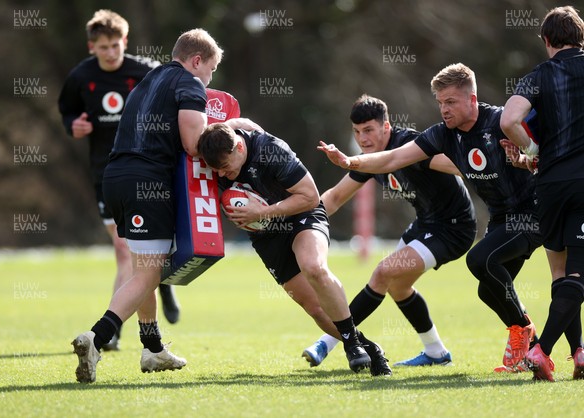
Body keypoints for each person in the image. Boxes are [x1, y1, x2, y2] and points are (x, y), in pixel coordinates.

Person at [318, 63, 543, 373]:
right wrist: (348, 162)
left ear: (472, 99)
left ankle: (333, 341)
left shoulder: (499, 121)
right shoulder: (440, 134)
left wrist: (528, 160)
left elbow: (535, 148)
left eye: (450, 101)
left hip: (515, 215)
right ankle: (528, 352)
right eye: (440, 102)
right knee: (483, 289)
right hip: (489, 219)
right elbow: (384, 165)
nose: (443, 109)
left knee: (481, 262)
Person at [70, 28, 259, 383]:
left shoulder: (147, 80)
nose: (210, 78)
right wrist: (231, 125)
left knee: (145, 266)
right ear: (197, 60)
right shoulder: (189, 83)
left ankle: (152, 348)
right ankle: (96, 338)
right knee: (148, 274)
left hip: (116, 177)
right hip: (147, 183)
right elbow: (192, 143)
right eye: (211, 69)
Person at [197, 123, 390, 376]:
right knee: (315, 309)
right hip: (266, 237)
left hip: (302, 214)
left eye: (224, 168)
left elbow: (310, 197)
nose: (222, 175)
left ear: (240, 148)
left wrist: (262, 212)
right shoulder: (222, 145)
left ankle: (352, 346)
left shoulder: (271, 150)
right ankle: (369, 347)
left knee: (314, 267)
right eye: (216, 170)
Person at [302, 94, 476, 368]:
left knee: (384, 272)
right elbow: (334, 198)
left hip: (454, 228)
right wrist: (297, 219)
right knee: (399, 285)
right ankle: (436, 353)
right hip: (425, 224)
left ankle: (328, 341)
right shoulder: (371, 159)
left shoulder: (410, 145)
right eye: (357, 132)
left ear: (386, 127)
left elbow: (460, 166)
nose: (363, 139)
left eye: (369, 130)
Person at [58, 10, 181, 353]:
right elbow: (67, 110)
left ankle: (115, 329)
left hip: (149, 173)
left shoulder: (144, 72)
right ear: (91, 47)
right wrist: (73, 125)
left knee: (134, 253)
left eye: (115, 45)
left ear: (124, 42)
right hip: (106, 174)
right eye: (103, 47)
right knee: (128, 251)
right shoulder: (81, 77)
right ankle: (148, 297)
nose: (110, 52)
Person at [500, 5, 584, 381]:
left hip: (549, 184)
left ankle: (580, 353)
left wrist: (532, 153)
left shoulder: (538, 76)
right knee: (578, 276)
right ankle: (542, 351)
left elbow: (509, 120)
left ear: (547, 41)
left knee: (561, 273)